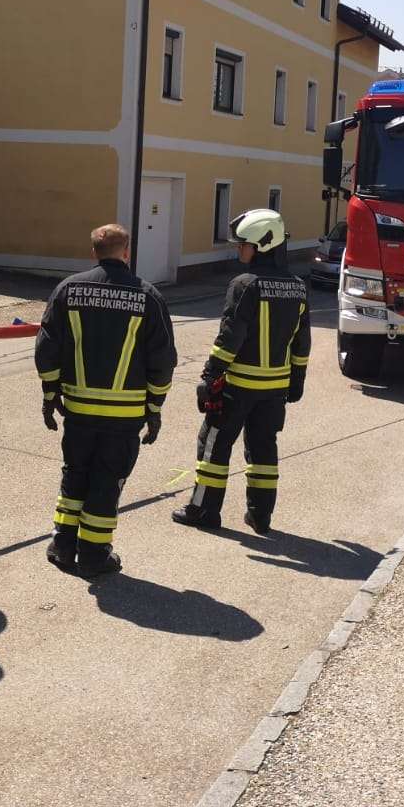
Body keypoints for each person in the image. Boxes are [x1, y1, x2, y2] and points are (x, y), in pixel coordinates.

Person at [34, 223, 177, 578]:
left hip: (78, 408)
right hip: (124, 415)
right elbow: (162, 361)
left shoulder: (69, 288)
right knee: (106, 480)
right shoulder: (147, 296)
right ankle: (95, 555)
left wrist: (50, 395)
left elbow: (46, 348)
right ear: (126, 252)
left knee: (75, 474)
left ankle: (63, 546)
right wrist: (155, 408)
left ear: (93, 253)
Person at [172, 208, 311, 535]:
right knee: (263, 450)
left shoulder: (245, 284)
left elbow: (230, 336)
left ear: (263, 244)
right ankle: (260, 517)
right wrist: (297, 381)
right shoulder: (298, 287)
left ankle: (204, 511)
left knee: (213, 446)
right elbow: (301, 343)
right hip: (274, 390)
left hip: (237, 385)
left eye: (243, 244)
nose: (238, 250)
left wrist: (209, 376)